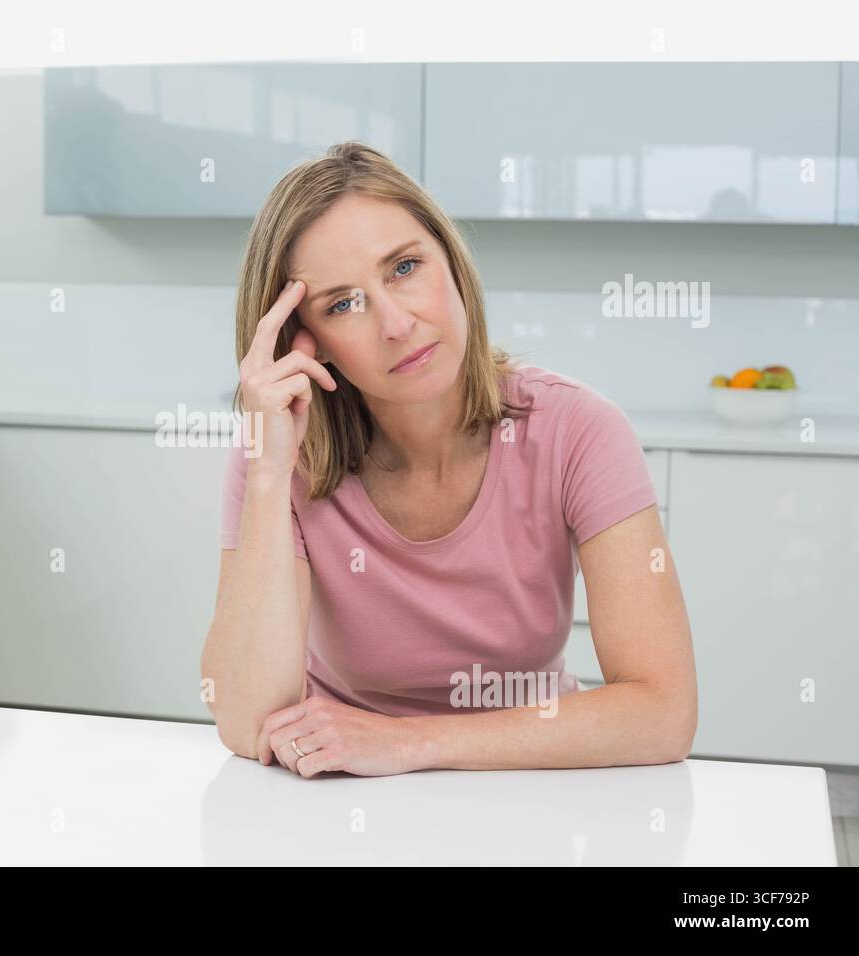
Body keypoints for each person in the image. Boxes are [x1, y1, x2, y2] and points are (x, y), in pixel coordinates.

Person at [200, 141, 697, 777]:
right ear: (308, 343)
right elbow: (244, 722)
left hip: (533, 780)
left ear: (452, 262)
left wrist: (409, 744)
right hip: (342, 796)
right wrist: (268, 476)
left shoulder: (579, 430)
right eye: (342, 304)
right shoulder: (280, 454)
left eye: (405, 268)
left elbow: (662, 713)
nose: (396, 324)